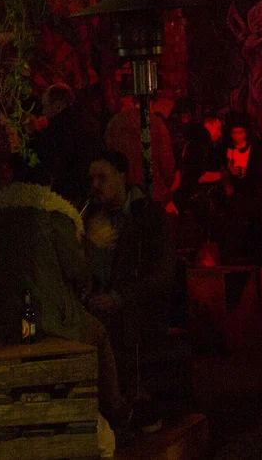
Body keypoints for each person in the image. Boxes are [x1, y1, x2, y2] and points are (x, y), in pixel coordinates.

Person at [0, 157, 128, 426]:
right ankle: (114, 413)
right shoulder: (54, 214)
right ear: (49, 181)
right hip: (45, 319)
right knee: (100, 335)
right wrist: (90, 244)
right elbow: (78, 272)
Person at [86, 150, 179, 414]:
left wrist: (119, 297)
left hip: (137, 311)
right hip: (99, 309)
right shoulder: (90, 216)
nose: (95, 185)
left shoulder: (148, 215)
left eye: (102, 178)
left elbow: (162, 274)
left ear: (122, 176)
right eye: (91, 178)